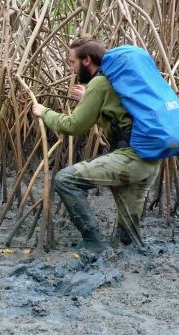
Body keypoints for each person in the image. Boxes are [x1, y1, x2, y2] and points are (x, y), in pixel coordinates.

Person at [32, 37, 161, 254]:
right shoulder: (115, 80)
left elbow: (73, 126)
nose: (71, 69)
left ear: (87, 60)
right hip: (149, 161)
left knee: (65, 179)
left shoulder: (100, 83)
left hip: (130, 159)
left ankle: (94, 242)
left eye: (72, 62)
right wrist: (88, 97)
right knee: (128, 242)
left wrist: (45, 112)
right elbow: (116, 109)